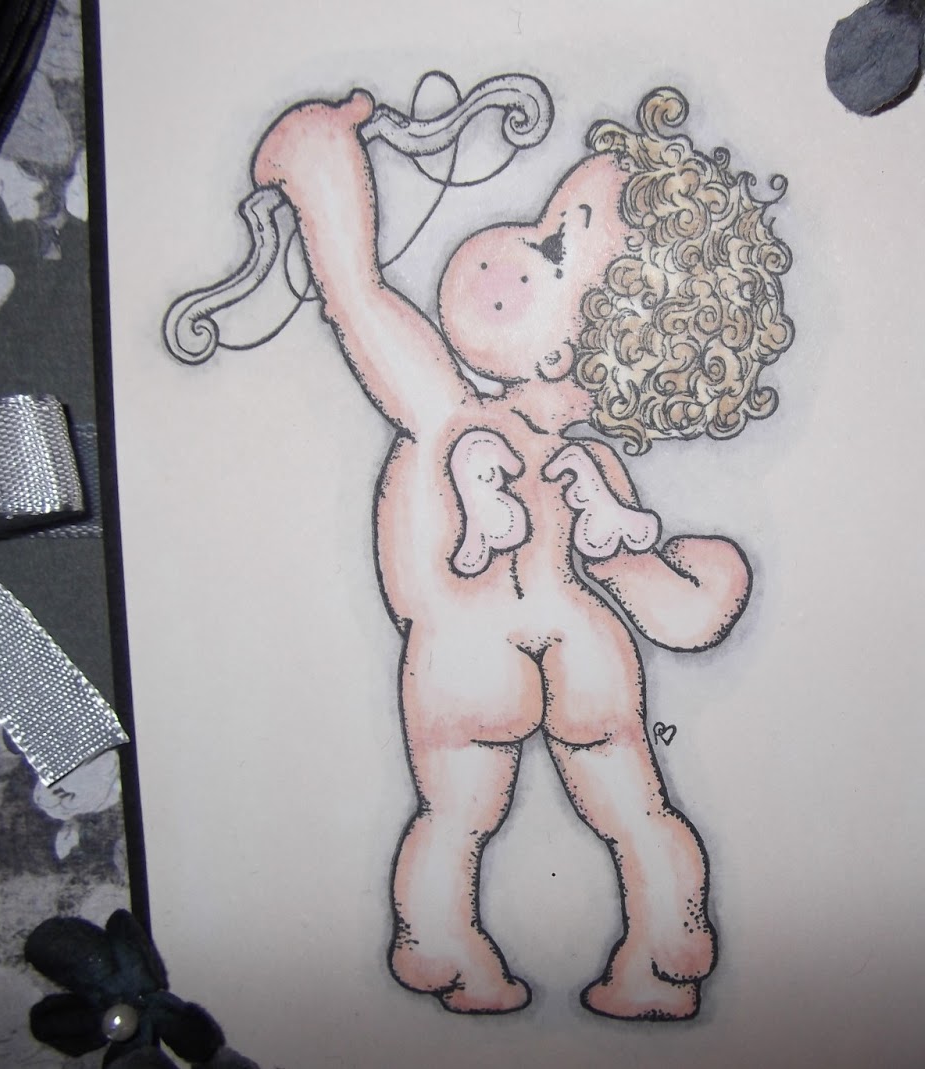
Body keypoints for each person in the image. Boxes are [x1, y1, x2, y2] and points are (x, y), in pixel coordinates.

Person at [251, 85, 793, 1020]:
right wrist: (626, 551)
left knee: (455, 815)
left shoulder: (445, 408)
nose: (510, 242)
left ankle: (439, 944)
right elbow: (646, 589)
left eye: (550, 249)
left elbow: (357, 293)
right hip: (582, 646)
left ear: (570, 355)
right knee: (636, 811)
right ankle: (667, 947)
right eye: (544, 223)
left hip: (466, 654)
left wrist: (319, 162)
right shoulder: (589, 465)